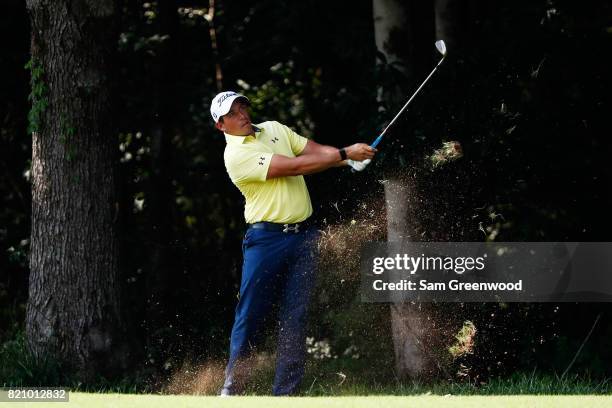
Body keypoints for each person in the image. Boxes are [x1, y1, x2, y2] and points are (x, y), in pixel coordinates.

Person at [211, 91, 375, 396]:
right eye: (232, 113)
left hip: (304, 238)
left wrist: (348, 160)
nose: (242, 114)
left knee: (295, 317)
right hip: (265, 241)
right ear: (221, 126)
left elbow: (312, 151)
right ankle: (233, 391)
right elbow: (295, 166)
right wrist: (343, 155)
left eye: (242, 107)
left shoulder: (275, 129)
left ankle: (286, 394)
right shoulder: (235, 156)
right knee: (250, 316)